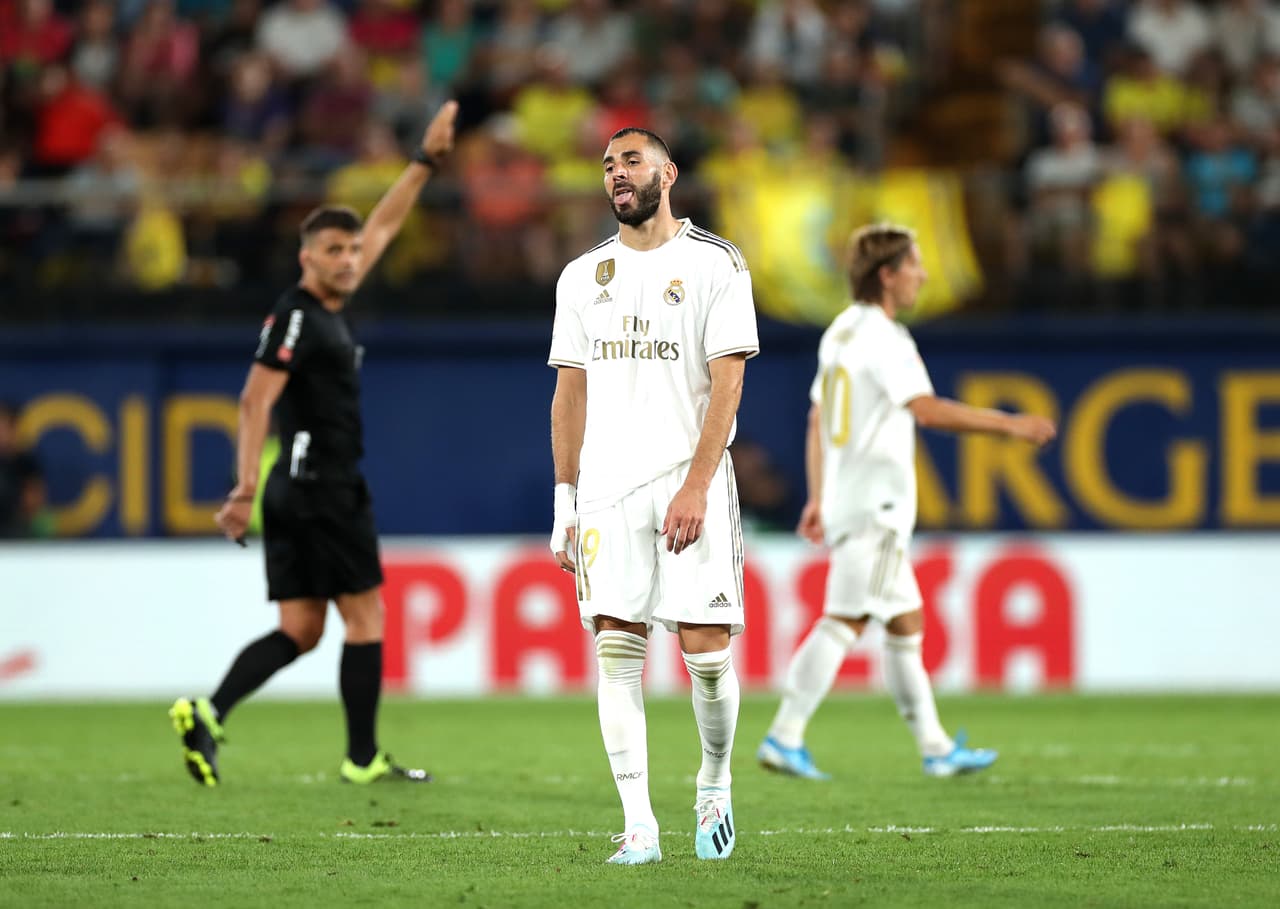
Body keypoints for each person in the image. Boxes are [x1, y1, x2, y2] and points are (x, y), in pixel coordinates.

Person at [168, 100, 458, 788]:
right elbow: (252, 399)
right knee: (367, 617)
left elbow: (383, 224)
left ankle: (207, 712)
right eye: (335, 250)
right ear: (307, 258)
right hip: (322, 486)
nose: (351, 259)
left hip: (298, 490)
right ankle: (362, 758)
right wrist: (240, 489)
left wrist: (423, 161)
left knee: (300, 628)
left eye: (353, 250)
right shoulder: (296, 317)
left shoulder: (327, 308)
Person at [757, 223, 1057, 781]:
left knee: (903, 623)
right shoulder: (887, 339)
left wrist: (819, 495)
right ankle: (784, 735)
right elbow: (927, 409)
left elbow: (818, 418)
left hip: (851, 497)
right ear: (888, 275)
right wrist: (1009, 425)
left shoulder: (840, 331)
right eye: (914, 265)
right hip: (878, 506)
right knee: (844, 620)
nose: (922, 274)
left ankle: (936, 746)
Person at [548, 127, 759, 864]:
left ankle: (713, 781)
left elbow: (728, 382)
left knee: (706, 655)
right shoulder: (581, 276)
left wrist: (698, 484)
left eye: (631, 160)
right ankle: (639, 824)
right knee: (617, 650)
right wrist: (564, 497)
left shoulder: (716, 264)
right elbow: (568, 390)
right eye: (608, 165)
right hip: (607, 486)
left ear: (668, 172)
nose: (617, 174)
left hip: (685, 478)